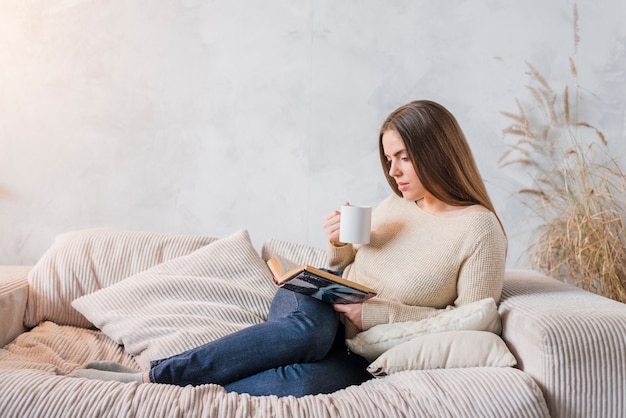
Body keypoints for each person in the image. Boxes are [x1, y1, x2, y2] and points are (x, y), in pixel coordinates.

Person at [70, 99, 507, 397]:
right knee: (310, 332)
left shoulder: (479, 230)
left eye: (403, 158)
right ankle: (153, 376)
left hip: (365, 344)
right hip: (316, 307)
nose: (392, 172)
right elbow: (351, 263)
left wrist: (372, 315)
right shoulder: (399, 203)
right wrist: (337, 247)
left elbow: (473, 321)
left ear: (436, 152)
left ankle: (192, 387)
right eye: (388, 159)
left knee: (301, 385)